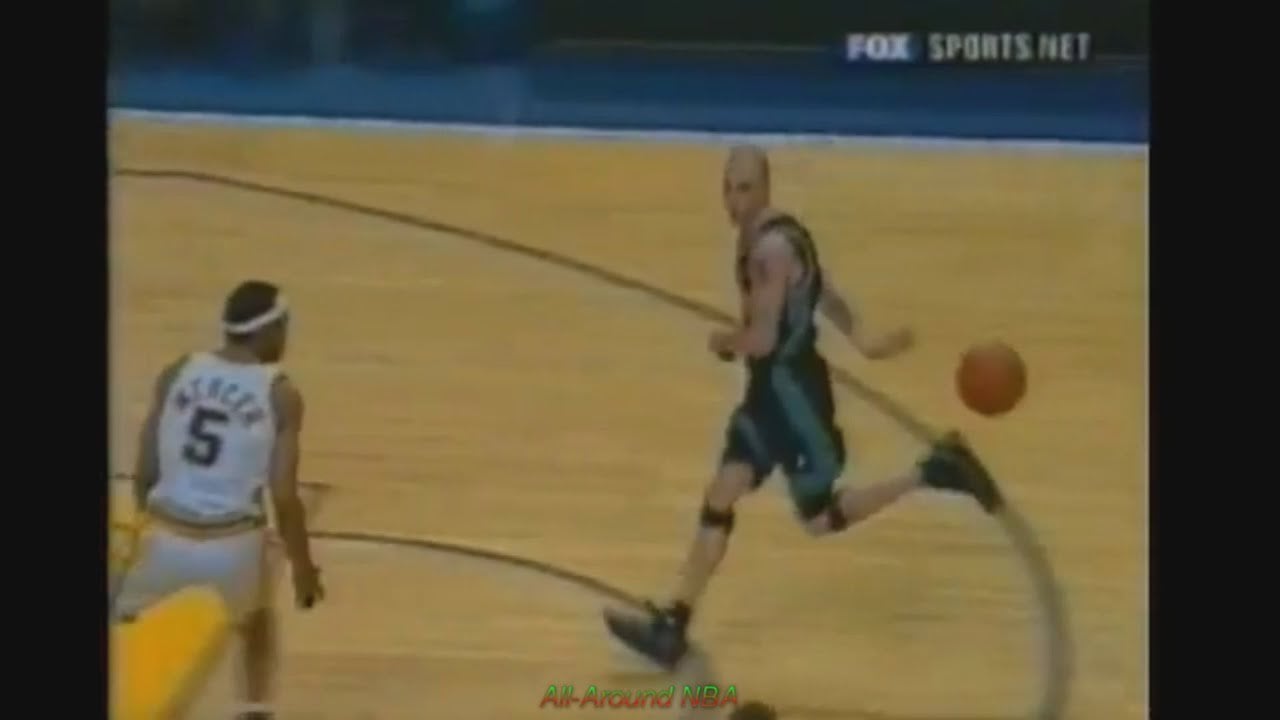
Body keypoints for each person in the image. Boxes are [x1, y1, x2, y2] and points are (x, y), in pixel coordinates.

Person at [604, 146, 1003, 670]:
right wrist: (863, 339)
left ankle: (934, 470)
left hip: (795, 401)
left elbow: (764, 339)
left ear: (765, 188)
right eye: (728, 188)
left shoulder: (768, 251)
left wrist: (726, 341)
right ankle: (674, 625)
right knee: (722, 491)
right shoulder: (780, 234)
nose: (734, 201)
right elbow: (822, 289)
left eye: (745, 189)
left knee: (817, 519)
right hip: (768, 393)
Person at [113, 280, 323, 720]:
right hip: (234, 547)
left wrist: (141, 534)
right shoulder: (279, 392)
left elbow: (146, 470)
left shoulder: (178, 370)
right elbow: (284, 496)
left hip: (164, 535)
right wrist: (303, 568)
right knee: (258, 621)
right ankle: (254, 709)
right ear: (270, 331)